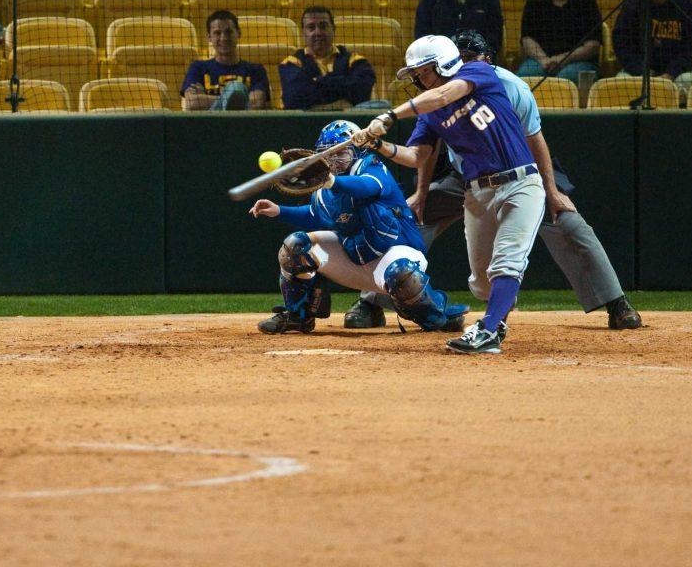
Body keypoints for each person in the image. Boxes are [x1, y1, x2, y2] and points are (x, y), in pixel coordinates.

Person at [345, 30, 642, 332]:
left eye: (472, 58)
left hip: (518, 165)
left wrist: (551, 191)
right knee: (409, 219)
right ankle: (371, 301)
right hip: (465, 175)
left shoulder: (508, 85)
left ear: (485, 60)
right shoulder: (432, 101)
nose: (467, 65)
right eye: (462, 58)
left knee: (566, 221)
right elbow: (426, 152)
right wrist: (421, 193)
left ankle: (615, 302)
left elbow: (534, 139)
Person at [355, 34, 546, 355]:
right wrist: (379, 145)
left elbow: (446, 93)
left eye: (423, 72)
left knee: (506, 263)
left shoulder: (478, 73)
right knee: (482, 282)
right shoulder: (430, 113)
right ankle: (497, 309)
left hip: (521, 183)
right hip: (477, 194)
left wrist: (389, 116)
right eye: (415, 75)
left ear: (444, 62)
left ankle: (489, 331)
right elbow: (416, 156)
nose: (418, 80)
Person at [248, 120, 469, 335]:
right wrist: (279, 210)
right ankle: (298, 315)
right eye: (329, 154)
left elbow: (368, 187)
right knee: (295, 246)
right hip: (354, 256)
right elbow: (316, 215)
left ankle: (438, 315)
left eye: (341, 153)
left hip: (392, 254)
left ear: (357, 152)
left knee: (401, 275)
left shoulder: (371, 166)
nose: (335, 160)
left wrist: (332, 181)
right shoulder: (324, 187)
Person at [280, 6, 376, 110]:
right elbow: (293, 99)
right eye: (311, 27)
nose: (318, 32)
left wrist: (316, 81)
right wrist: (342, 85)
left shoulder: (356, 60)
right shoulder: (291, 63)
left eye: (323, 26)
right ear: (303, 33)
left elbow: (361, 93)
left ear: (333, 29)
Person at [182, 10, 269, 111]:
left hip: (244, 124)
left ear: (238, 33)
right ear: (209, 38)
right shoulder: (198, 68)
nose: (223, 38)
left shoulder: (255, 70)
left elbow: (257, 103)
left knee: (236, 87)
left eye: (229, 32)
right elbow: (192, 103)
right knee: (236, 89)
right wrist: (237, 100)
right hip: (209, 124)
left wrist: (205, 98)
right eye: (217, 33)